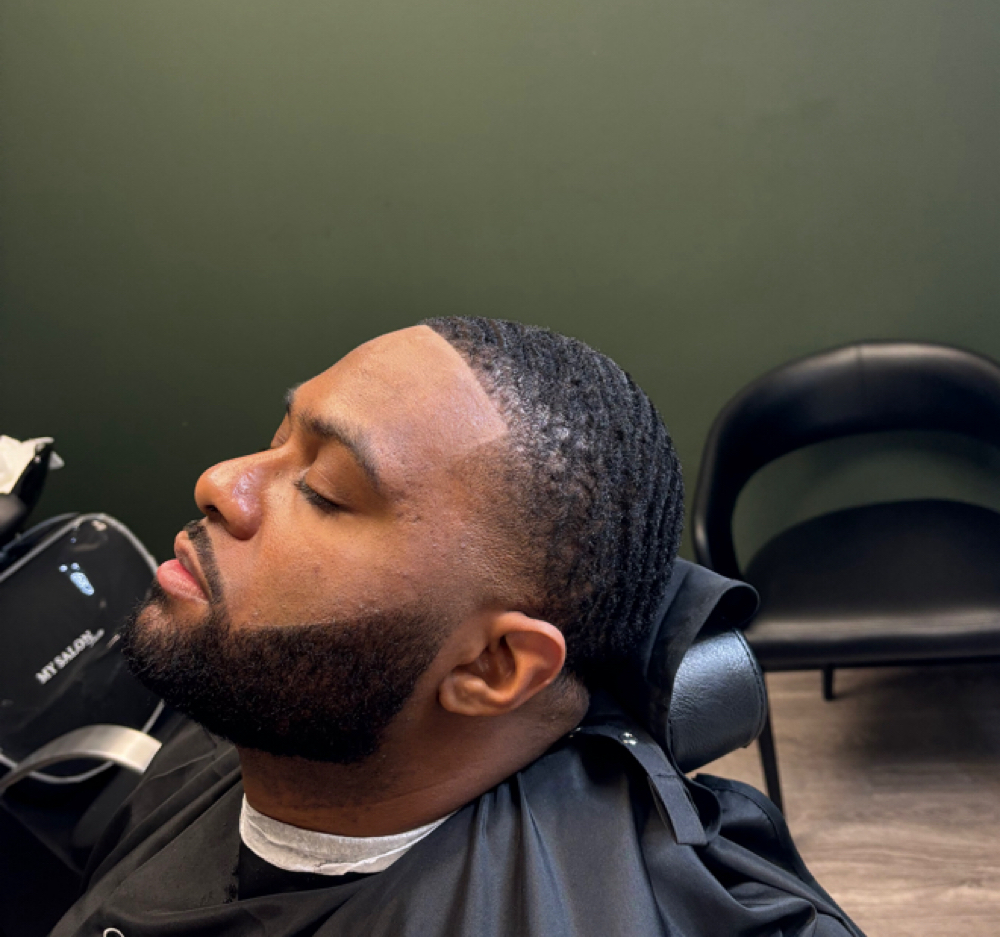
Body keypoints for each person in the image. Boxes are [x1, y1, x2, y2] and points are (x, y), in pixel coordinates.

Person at [51, 317, 862, 936]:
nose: (220, 482)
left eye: (327, 491)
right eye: (277, 441)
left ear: (493, 667)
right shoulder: (263, 702)